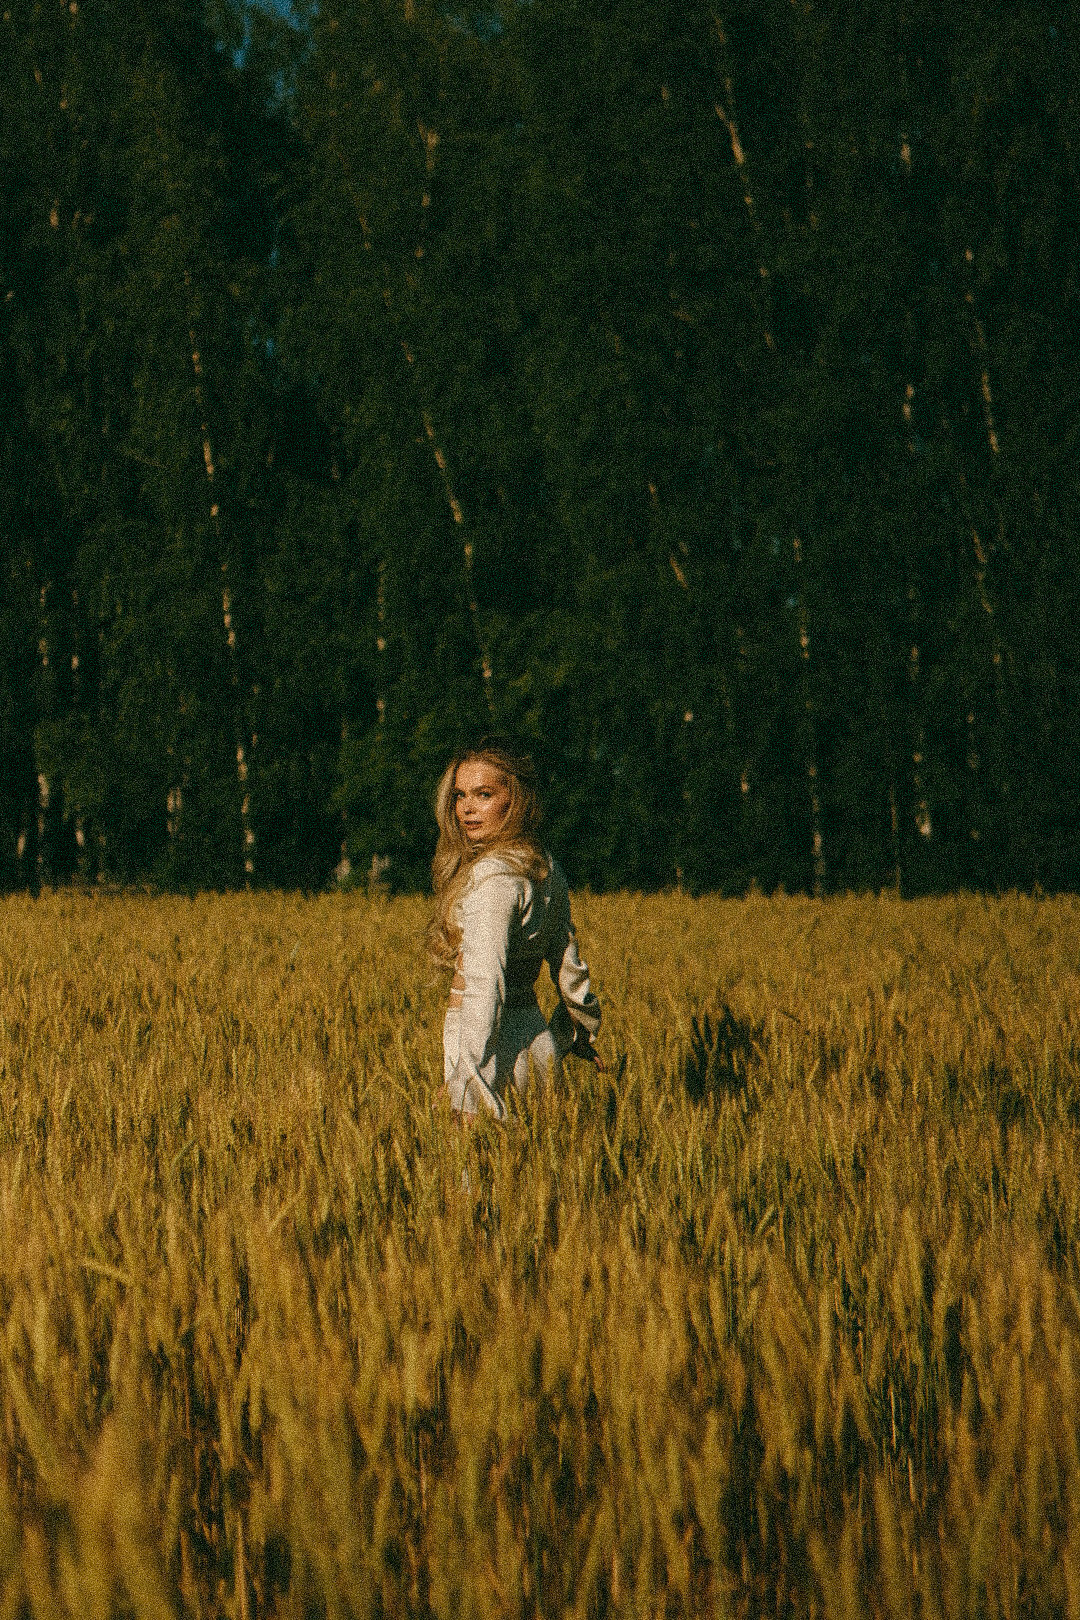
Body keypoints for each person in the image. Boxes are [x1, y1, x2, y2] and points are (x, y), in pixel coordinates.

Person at [428, 740, 602, 1120]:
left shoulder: (492, 880)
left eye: (484, 794)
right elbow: (567, 961)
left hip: (489, 1052)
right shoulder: (544, 866)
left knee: (473, 1175)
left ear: (516, 800)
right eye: (460, 796)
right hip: (537, 1043)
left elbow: (485, 984)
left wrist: (466, 1077)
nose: (467, 809)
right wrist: (580, 1030)